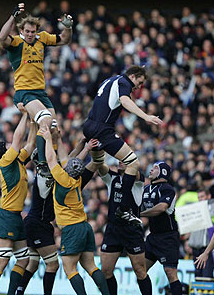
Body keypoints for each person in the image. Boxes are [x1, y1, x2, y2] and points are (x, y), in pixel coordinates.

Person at [0, 2, 73, 178]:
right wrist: (12, 16)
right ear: (21, 31)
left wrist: (68, 28)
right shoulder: (15, 42)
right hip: (24, 92)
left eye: (33, 31)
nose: (30, 34)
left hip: (41, 93)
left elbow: (64, 39)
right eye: (27, 31)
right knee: (45, 118)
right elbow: (2, 38)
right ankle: (41, 162)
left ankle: (61, 166)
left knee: (53, 128)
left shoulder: (43, 38)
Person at [16, 137, 98, 295]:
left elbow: (69, 162)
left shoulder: (48, 173)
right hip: (39, 224)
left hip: (33, 223)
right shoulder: (48, 176)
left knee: (32, 263)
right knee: (53, 265)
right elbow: (70, 166)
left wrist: (81, 143)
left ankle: (18, 292)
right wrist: (86, 149)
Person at [83, 65, 163, 225]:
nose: (138, 87)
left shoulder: (112, 80)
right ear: (132, 76)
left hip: (89, 125)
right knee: (133, 163)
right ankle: (124, 208)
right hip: (103, 129)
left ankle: (75, 189)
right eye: (139, 82)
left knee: (97, 163)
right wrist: (146, 116)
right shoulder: (124, 83)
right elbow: (125, 100)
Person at [40, 124, 110, 295]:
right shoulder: (76, 179)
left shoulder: (63, 179)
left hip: (72, 229)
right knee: (91, 266)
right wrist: (84, 146)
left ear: (67, 170)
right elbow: (72, 161)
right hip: (85, 227)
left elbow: (51, 159)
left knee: (69, 268)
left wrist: (48, 139)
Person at [0, 104, 37, 295]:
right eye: (8, 148)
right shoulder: (5, 162)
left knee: (23, 260)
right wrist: (24, 115)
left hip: (15, 217)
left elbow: (29, 145)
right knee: (3, 259)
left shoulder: (18, 161)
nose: (13, 148)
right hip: (6, 216)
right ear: (5, 152)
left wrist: (34, 122)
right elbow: (17, 140)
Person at [97, 161, 152, 295]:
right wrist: (96, 152)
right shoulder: (113, 178)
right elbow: (101, 167)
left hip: (131, 230)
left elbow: (136, 170)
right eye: (120, 159)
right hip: (113, 228)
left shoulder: (137, 180)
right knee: (105, 271)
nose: (121, 161)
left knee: (140, 270)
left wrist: (130, 163)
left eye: (125, 159)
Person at [140, 162, 183, 295]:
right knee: (140, 270)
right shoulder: (146, 189)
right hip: (153, 237)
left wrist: (139, 213)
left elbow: (161, 208)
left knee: (170, 273)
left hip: (168, 237)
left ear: (163, 172)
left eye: (155, 168)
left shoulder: (167, 189)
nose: (151, 169)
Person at [188, 188, 214, 278]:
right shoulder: (195, 209)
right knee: (197, 275)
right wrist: (189, 241)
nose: (200, 199)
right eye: (199, 197)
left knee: (207, 275)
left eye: (202, 196)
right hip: (195, 248)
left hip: (207, 248)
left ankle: (207, 292)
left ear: (208, 196)